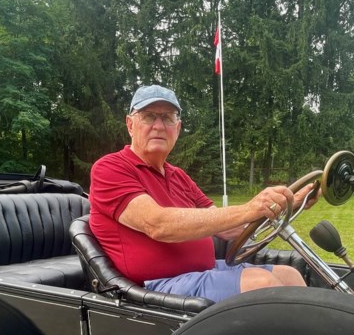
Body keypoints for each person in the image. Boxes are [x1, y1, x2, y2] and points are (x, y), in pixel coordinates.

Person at [89, 84, 317, 303]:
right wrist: (250, 207)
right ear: (130, 125)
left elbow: (229, 228)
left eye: (168, 118)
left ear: (177, 129)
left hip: (203, 271)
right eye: (149, 116)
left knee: (290, 276)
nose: (159, 125)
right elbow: (157, 224)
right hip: (156, 286)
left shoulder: (178, 176)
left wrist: (290, 205)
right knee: (262, 284)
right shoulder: (110, 168)